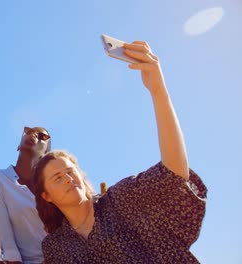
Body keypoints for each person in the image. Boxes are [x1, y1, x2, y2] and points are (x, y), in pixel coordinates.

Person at [32, 41, 207, 263]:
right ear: (46, 196)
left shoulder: (121, 200)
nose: (68, 178)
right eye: (57, 178)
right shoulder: (55, 248)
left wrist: (157, 90)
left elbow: (174, 174)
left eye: (70, 171)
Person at [0, 126, 51, 264]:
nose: (33, 135)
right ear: (18, 145)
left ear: (46, 153)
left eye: (42, 136)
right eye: (28, 131)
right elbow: (5, 237)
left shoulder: (50, 186)